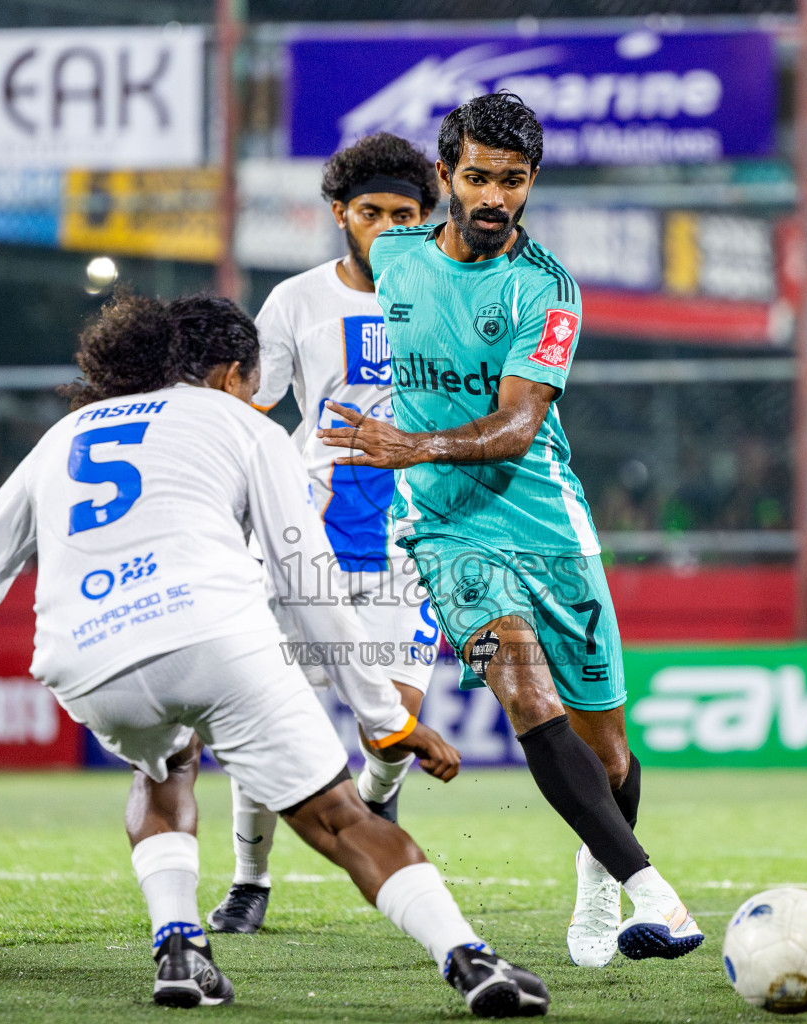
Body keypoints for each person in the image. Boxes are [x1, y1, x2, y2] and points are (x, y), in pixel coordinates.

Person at [0, 292, 550, 1017]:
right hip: (216, 638)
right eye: (254, 385)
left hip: (87, 660)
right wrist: (382, 716)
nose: (256, 399)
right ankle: (470, 960)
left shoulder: (64, 435)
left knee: (162, 766)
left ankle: (180, 947)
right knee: (342, 819)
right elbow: (303, 576)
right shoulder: (241, 425)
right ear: (229, 374)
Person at [318, 92, 704, 970]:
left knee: (608, 749)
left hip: (547, 523)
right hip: (447, 531)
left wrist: (406, 441)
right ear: (447, 174)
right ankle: (656, 893)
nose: (495, 197)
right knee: (527, 693)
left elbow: (518, 428)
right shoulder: (394, 254)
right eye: (479, 177)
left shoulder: (547, 289)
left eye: (514, 181)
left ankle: (601, 878)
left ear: (532, 184)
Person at [207, 132, 444, 935]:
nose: (385, 227)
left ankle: (375, 808)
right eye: (370, 212)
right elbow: (249, 409)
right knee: (269, 714)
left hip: (410, 544)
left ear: (425, 218)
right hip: (303, 539)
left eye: (403, 214)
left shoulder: (455, 298)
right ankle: (250, 878)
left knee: (397, 723)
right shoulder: (296, 301)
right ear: (342, 214)